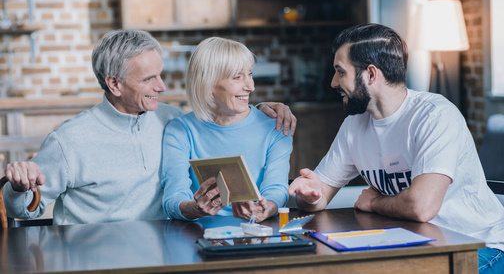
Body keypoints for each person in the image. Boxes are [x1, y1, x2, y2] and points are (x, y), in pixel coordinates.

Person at [2, 29, 296, 225]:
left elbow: (218, 117)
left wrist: (261, 110)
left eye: (160, 75)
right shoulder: (69, 140)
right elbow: (26, 209)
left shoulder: (170, 119)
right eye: (148, 79)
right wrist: (17, 187)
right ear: (114, 84)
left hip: (163, 247)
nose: (162, 86)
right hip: (92, 255)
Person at [288, 23, 504, 273]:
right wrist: (309, 195)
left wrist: (375, 202)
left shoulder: (435, 116)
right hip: (415, 245)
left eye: (340, 72)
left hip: (477, 247)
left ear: (371, 74)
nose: (334, 82)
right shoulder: (354, 125)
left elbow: (421, 207)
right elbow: (320, 195)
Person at [161, 37, 292, 222]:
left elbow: (276, 189)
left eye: (250, 74)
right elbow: (173, 198)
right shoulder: (180, 131)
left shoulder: (275, 127)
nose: (250, 87)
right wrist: (195, 208)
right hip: (197, 237)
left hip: (256, 232)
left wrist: (267, 207)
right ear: (209, 83)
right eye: (237, 77)